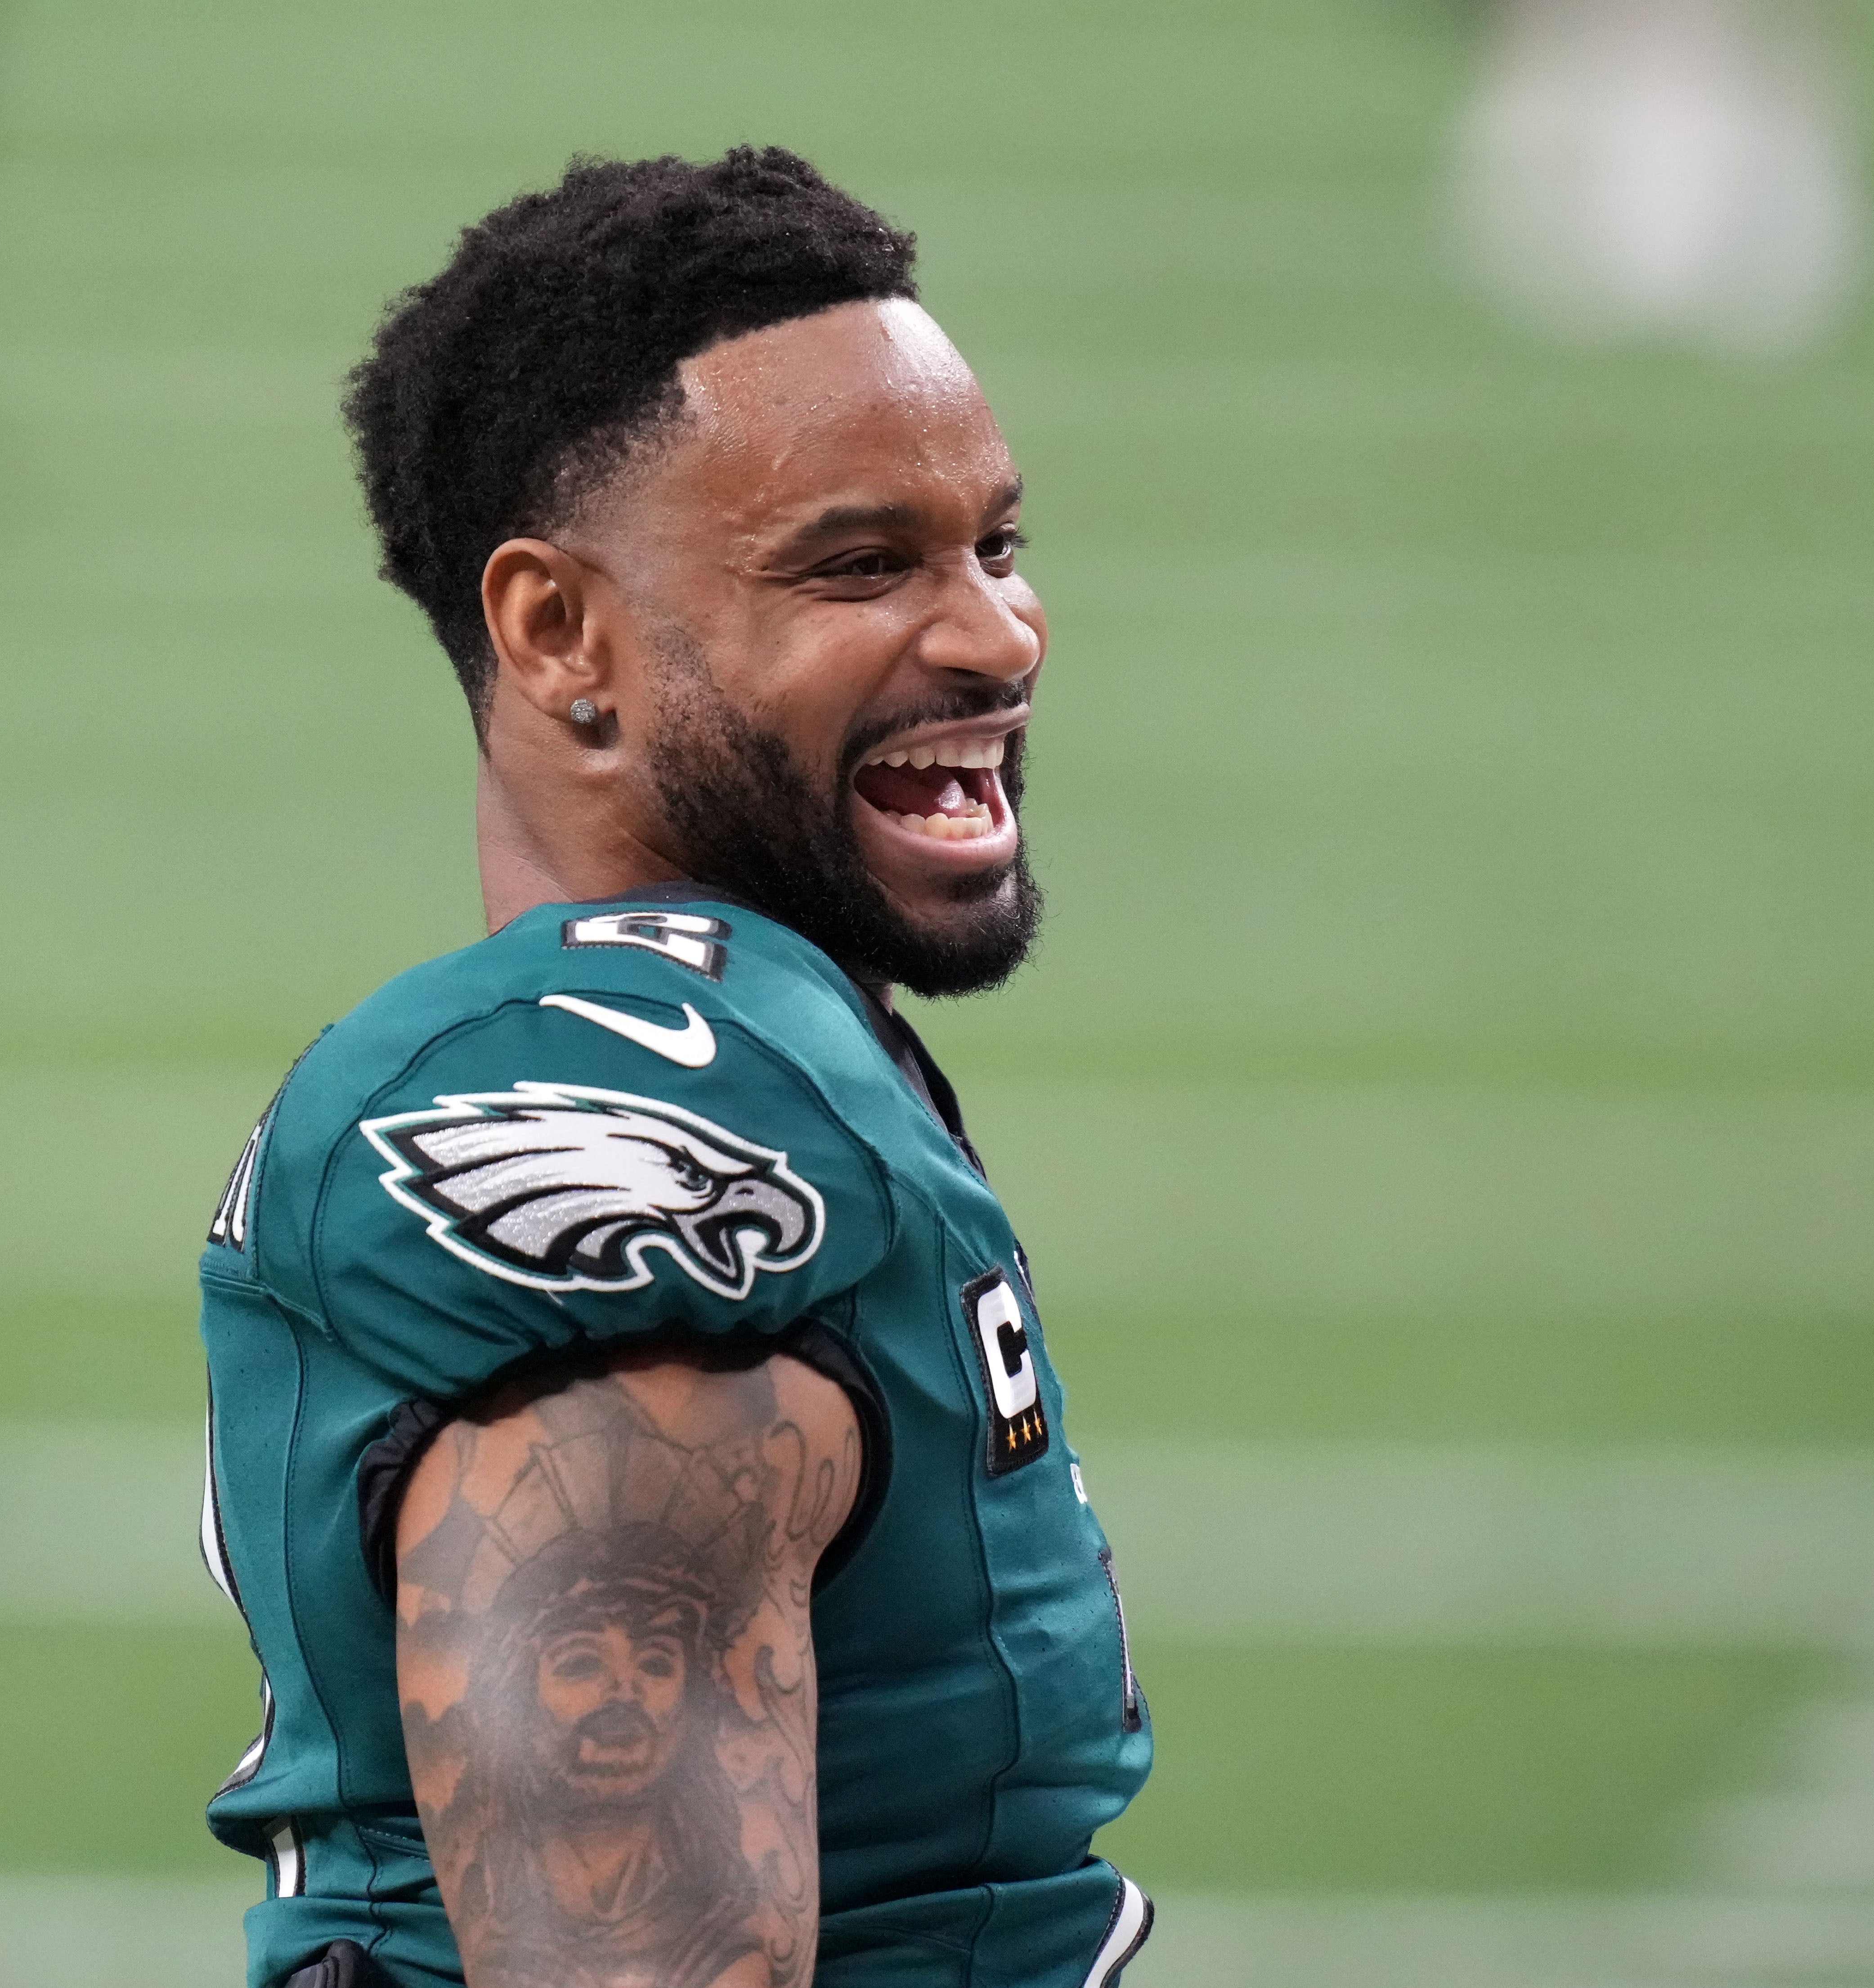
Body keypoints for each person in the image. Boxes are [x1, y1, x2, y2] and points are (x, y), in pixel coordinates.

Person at [195, 148, 1155, 1988]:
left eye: (995, 546)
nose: (995, 634)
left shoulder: (786, 1039)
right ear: (561, 632)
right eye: (861, 566)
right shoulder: (650, 1123)